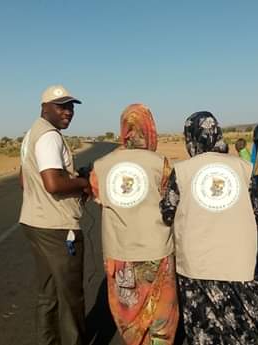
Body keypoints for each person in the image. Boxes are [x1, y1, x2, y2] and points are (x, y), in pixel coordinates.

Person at [160, 111, 258, 345]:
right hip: (237, 260)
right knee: (237, 325)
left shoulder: (183, 170)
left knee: (203, 328)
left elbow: (168, 213)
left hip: (197, 264)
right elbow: (257, 212)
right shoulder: (243, 168)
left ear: (190, 137)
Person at [89, 104, 179, 345]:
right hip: (157, 254)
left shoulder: (100, 167)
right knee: (161, 321)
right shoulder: (161, 164)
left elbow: (99, 199)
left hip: (119, 255)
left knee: (129, 317)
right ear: (149, 129)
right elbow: (172, 205)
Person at [19, 84, 90, 345]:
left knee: (48, 293)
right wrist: (83, 183)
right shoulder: (49, 136)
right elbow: (53, 184)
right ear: (44, 108)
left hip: (33, 222)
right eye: (61, 106)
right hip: (58, 228)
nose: (68, 112)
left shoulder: (31, 135)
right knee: (70, 297)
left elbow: (24, 180)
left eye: (71, 106)